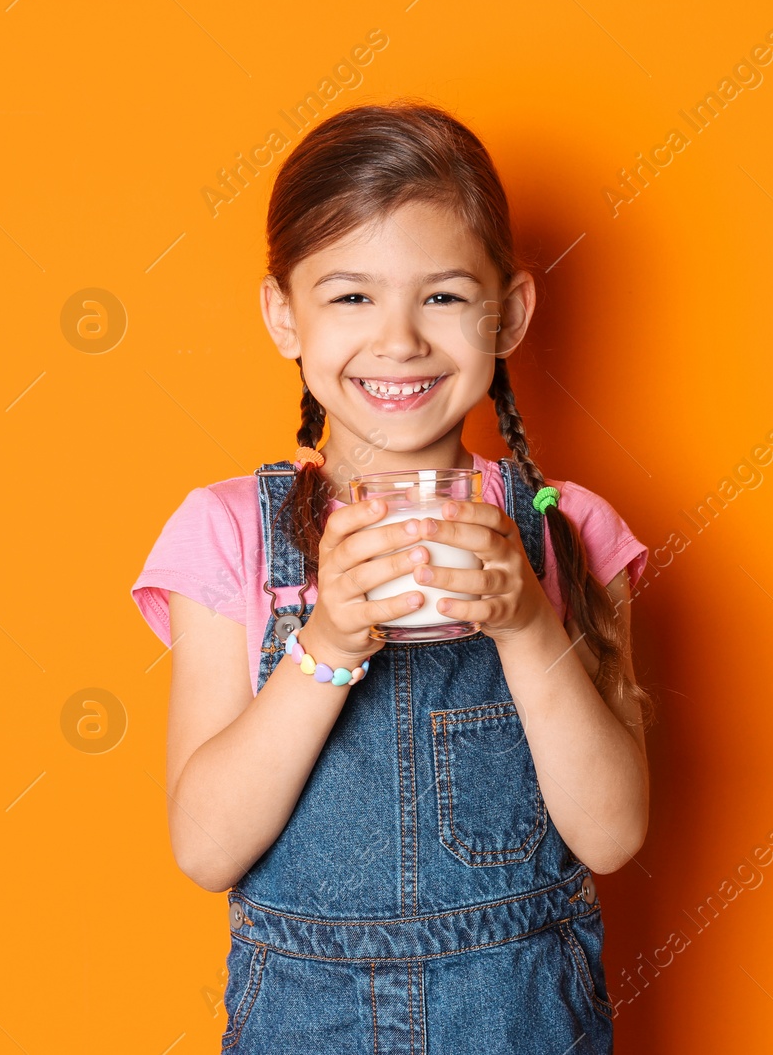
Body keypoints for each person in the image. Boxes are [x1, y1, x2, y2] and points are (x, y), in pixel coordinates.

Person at [129, 99, 652, 1054]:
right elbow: (205, 849)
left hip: (523, 1017)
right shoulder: (228, 532)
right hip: (305, 1022)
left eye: (444, 296)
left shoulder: (565, 527)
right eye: (351, 296)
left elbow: (611, 834)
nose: (401, 339)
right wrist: (322, 644)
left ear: (512, 313)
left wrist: (529, 622)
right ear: (284, 315)